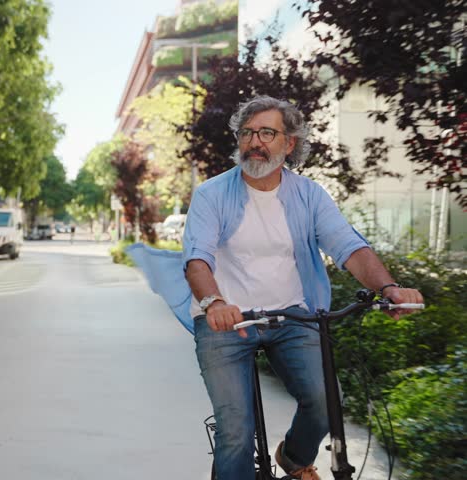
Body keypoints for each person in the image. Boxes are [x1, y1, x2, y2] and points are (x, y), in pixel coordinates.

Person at [127, 96, 422, 480]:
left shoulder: (309, 195)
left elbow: (348, 247)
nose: (255, 141)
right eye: (247, 132)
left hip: (293, 316)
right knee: (236, 431)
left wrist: (389, 287)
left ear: (290, 143)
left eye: (267, 132)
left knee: (325, 402)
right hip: (225, 321)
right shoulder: (212, 194)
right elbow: (197, 260)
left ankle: (295, 459)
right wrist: (214, 302)